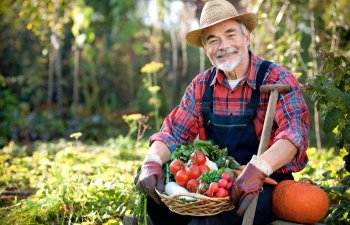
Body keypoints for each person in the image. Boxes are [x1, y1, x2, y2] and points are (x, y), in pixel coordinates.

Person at [136, 0, 309, 224]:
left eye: (230, 34)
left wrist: (259, 169)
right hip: (215, 183)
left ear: (246, 37)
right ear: (206, 49)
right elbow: (174, 133)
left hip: (264, 184)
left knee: (212, 221)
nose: (223, 45)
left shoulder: (277, 79)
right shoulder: (201, 85)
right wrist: (152, 161)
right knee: (151, 190)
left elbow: (294, 133)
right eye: (212, 40)